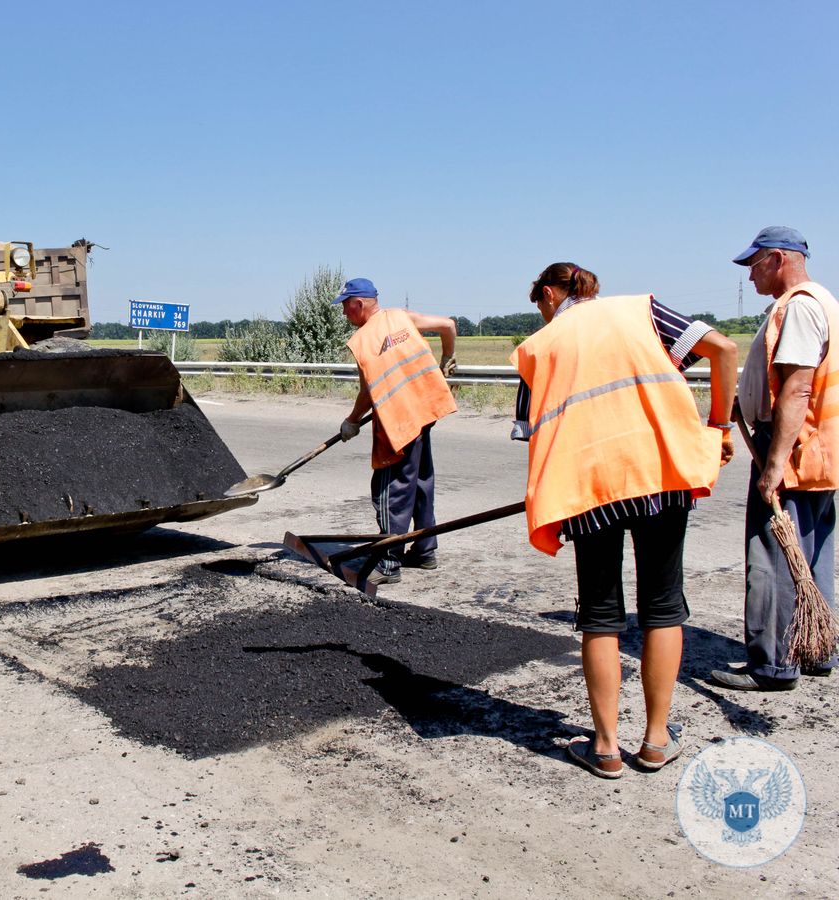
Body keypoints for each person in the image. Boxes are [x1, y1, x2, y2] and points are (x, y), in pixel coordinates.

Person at [511, 263, 736, 778]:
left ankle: (607, 748)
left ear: (549, 294)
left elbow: (533, 435)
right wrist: (720, 427)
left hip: (590, 492)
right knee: (662, 606)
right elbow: (722, 350)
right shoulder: (645, 311)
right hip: (661, 478)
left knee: (600, 613)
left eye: (540, 304)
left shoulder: (538, 348)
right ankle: (657, 741)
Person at [710, 227, 839, 691]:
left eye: (755, 264)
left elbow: (798, 386)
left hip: (795, 445)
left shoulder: (799, 306)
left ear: (779, 259)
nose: (750, 274)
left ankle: (775, 663)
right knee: (811, 549)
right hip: (820, 446)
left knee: (772, 554)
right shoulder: (820, 299)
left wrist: (774, 463)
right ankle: (816, 647)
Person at [335, 277, 458, 585]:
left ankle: (389, 561)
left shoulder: (363, 340)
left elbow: (368, 391)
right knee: (419, 480)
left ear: (359, 304)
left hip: (398, 419)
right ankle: (425, 549)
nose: (344, 314)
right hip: (424, 409)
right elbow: (448, 325)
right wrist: (446, 359)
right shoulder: (402, 317)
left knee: (392, 488)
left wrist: (351, 420)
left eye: (345, 308)